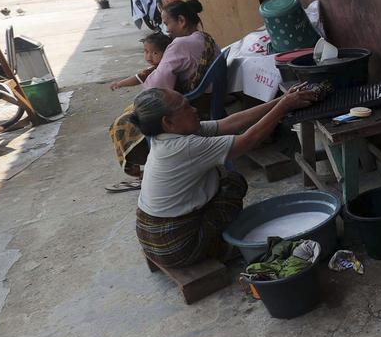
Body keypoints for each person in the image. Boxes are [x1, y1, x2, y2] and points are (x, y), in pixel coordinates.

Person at [129, 83, 318, 267]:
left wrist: (281, 100)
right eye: (186, 107)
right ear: (168, 122)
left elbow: (229, 123)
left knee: (222, 180)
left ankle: (210, 235)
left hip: (151, 236)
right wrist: (283, 108)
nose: (194, 109)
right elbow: (248, 141)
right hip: (176, 245)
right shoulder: (185, 147)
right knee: (233, 184)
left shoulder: (166, 136)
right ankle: (220, 246)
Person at [107, 0, 220, 191]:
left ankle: (150, 171)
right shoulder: (205, 38)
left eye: (167, 23)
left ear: (182, 21)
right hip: (209, 98)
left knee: (123, 122)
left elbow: (159, 86)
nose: (166, 29)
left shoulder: (180, 45)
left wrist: (147, 77)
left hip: (190, 105)